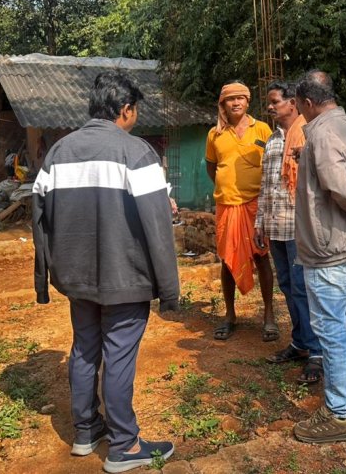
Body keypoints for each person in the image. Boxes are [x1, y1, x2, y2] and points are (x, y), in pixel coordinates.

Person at [32, 72, 179, 473]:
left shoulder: (58, 152)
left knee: (83, 348)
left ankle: (85, 432)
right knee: (118, 356)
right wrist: (170, 290)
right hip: (125, 278)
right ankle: (125, 446)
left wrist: (44, 278)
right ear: (125, 110)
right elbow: (158, 225)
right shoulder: (136, 152)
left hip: (76, 277)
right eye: (135, 111)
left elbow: (39, 217)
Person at [291, 70, 346, 444]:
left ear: (308, 103)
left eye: (298, 106)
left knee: (331, 327)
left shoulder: (322, 133)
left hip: (330, 247)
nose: (298, 113)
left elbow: (337, 185)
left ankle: (339, 413)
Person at [253, 82, 323, 384]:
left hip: (299, 226)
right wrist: (260, 223)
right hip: (276, 226)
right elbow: (266, 187)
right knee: (286, 285)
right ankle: (300, 343)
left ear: (292, 102)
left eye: (274, 102)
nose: (270, 107)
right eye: (269, 103)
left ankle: (317, 352)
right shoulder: (271, 141)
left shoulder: (308, 135)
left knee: (303, 288)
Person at [205, 81, 277, 341]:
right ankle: (230, 315)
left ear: (248, 102)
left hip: (256, 206)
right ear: (222, 104)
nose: (235, 103)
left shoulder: (263, 129)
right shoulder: (215, 134)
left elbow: (272, 166)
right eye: (230, 99)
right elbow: (212, 168)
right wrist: (228, 189)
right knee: (227, 259)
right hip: (227, 206)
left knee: (261, 256)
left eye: (240, 99)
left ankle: (269, 315)